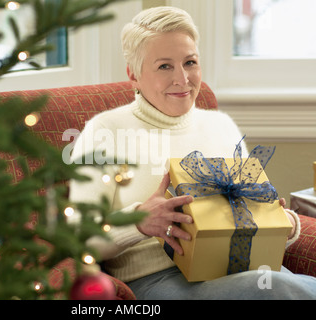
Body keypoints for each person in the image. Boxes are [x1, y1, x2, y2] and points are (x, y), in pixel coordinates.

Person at [68, 6, 316, 299]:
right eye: (164, 66)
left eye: (190, 62)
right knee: (279, 288)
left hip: (245, 271)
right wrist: (138, 222)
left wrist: (284, 225)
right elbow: (76, 240)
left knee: (287, 286)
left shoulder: (221, 125)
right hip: (158, 282)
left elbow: (246, 222)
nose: (183, 79)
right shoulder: (104, 132)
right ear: (133, 75)